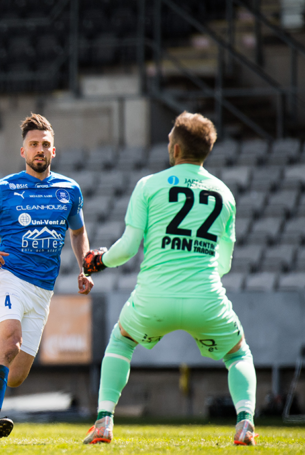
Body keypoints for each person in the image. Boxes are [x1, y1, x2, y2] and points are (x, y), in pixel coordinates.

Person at [82, 112, 257, 446]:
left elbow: (128, 248)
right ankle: (245, 423)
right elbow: (224, 264)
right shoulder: (225, 194)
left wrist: (99, 261)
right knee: (238, 354)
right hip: (205, 297)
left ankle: (104, 421)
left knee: (121, 341)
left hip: (154, 298)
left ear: (176, 149)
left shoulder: (149, 185)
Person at [0, 113, 94, 442]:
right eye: (33, 144)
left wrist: (84, 268)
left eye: (45, 144)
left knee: (15, 375)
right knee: (11, 343)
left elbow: (78, 232)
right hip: (9, 277)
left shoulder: (69, 190)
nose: (39, 149)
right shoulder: (4, 188)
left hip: (43, 290)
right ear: (23, 151)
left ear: (53, 150)